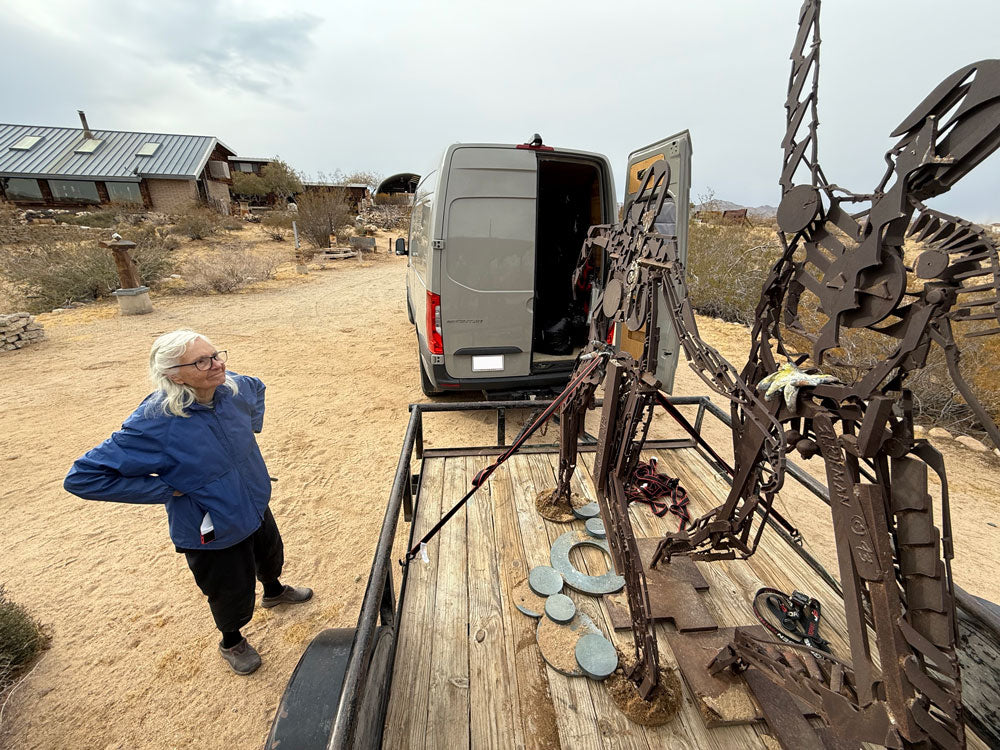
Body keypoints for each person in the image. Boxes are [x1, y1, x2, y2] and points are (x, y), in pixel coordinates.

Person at [64, 330, 312, 675]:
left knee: (269, 554)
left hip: (253, 500)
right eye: (202, 361)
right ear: (173, 374)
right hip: (210, 523)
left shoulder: (233, 388)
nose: (217, 364)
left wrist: (249, 428)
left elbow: (258, 387)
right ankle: (232, 640)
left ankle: (273, 590)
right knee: (229, 589)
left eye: (216, 354)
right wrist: (166, 490)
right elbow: (83, 477)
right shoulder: (154, 422)